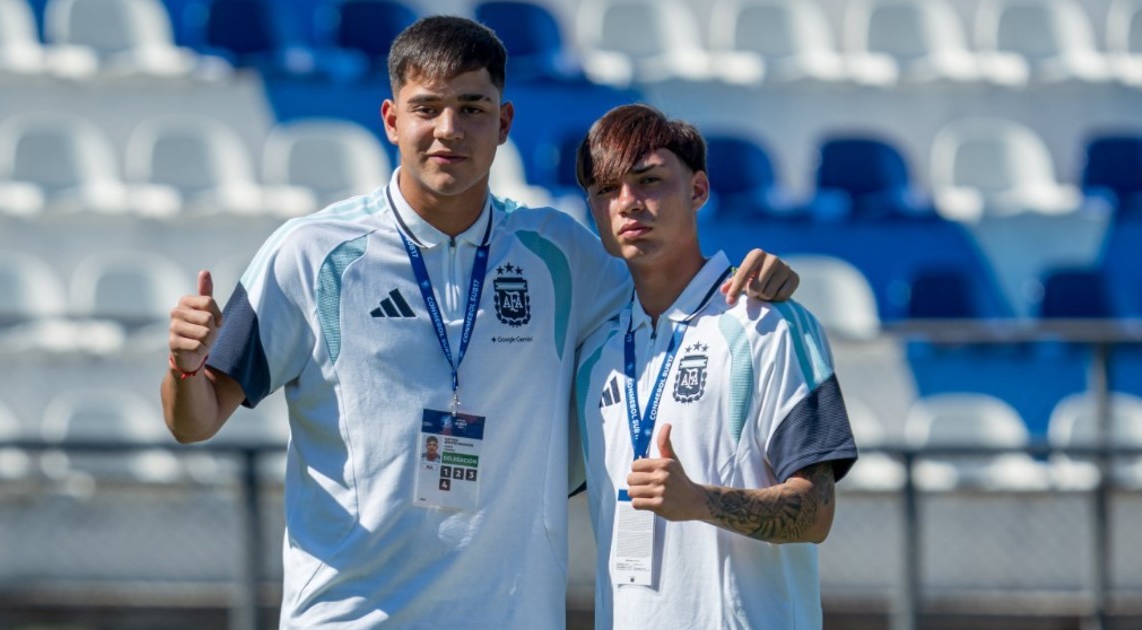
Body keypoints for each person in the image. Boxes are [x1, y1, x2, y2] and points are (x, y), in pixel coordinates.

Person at [162, 16, 798, 628]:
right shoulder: (310, 253)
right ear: (391, 120)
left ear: (504, 123)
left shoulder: (559, 252)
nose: (449, 130)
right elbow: (195, 420)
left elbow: (676, 299)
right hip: (351, 618)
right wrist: (184, 369)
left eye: (472, 108)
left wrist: (759, 278)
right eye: (426, 108)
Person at [572, 104, 858, 629]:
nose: (628, 202)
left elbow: (816, 513)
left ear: (698, 189)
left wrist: (699, 501)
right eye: (606, 189)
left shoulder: (769, 324)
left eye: (649, 180)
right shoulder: (593, 352)